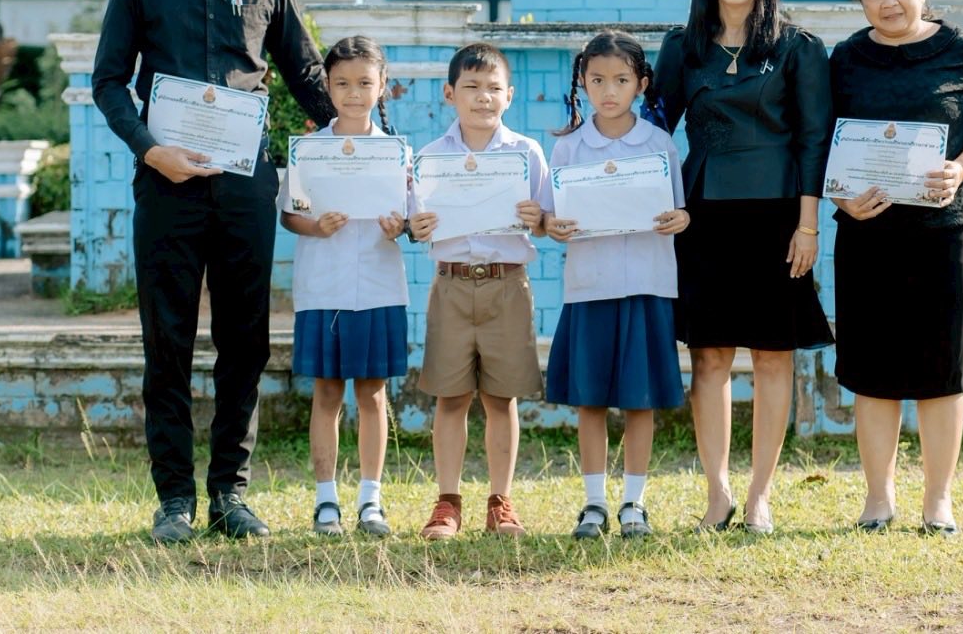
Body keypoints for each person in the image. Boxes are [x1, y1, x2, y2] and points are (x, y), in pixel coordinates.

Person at [91, 0, 336, 545]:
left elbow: (306, 73)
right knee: (166, 341)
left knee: (245, 340)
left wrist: (362, 140)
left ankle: (230, 492)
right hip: (166, 185)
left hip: (244, 186)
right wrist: (151, 149)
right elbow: (108, 82)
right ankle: (174, 499)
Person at [828, 0, 963, 535]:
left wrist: (962, 167)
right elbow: (819, 141)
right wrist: (839, 197)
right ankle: (877, 500)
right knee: (872, 372)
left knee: (943, 372)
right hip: (867, 238)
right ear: (860, 0)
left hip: (947, 235)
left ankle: (938, 501)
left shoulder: (960, 50)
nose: (888, 2)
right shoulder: (846, 59)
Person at [653, 0, 833, 535]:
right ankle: (718, 492)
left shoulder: (798, 47)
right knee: (709, 358)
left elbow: (814, 140)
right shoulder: (682, 47)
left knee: (774, 357)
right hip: (702, 216)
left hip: (778, 219)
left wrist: (808, 226)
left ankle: (760, 496)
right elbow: (652, 130)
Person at [540, 31, 689, 539]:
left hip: (647, 284)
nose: (609, 91)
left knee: (640, 399)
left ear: (641, 85)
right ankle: (594, 503)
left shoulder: (659, 144)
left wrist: (681, 218)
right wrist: (552, 225)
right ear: (582, 83)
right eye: (598, 80)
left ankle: (633, 503)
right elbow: (549, 217)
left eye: (621, 80)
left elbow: (678, 209)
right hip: (590, 286)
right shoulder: (568, 148)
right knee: (591, 400)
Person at [407, 41, 549, 540]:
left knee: (501, 398)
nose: (483, 97)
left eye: (493, 88)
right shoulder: (430, 158)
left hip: (507, 284)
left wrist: (539, 218)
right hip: (452, 284)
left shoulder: (526, 153)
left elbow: (547, 220)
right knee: (450, 397)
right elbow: (415, 223)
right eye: (471, 87)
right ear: (450, 94)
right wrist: (416, 227)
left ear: (509, 95)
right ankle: (447, 503)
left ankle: (500, 502)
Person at [279, 35, 408, 538]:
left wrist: (400, 226)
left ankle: (370, 501)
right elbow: (290, 215)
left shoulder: (397, 153)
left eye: (364, 83)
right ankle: (326, 501)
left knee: (373, 393)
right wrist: (316, 226)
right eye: (342, 84)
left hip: (377, 285)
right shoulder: (309, 151)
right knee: (327, 391)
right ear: (328, 88)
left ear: (382, 87)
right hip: (324, 286)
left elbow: (413, 217)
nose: (354, 93)